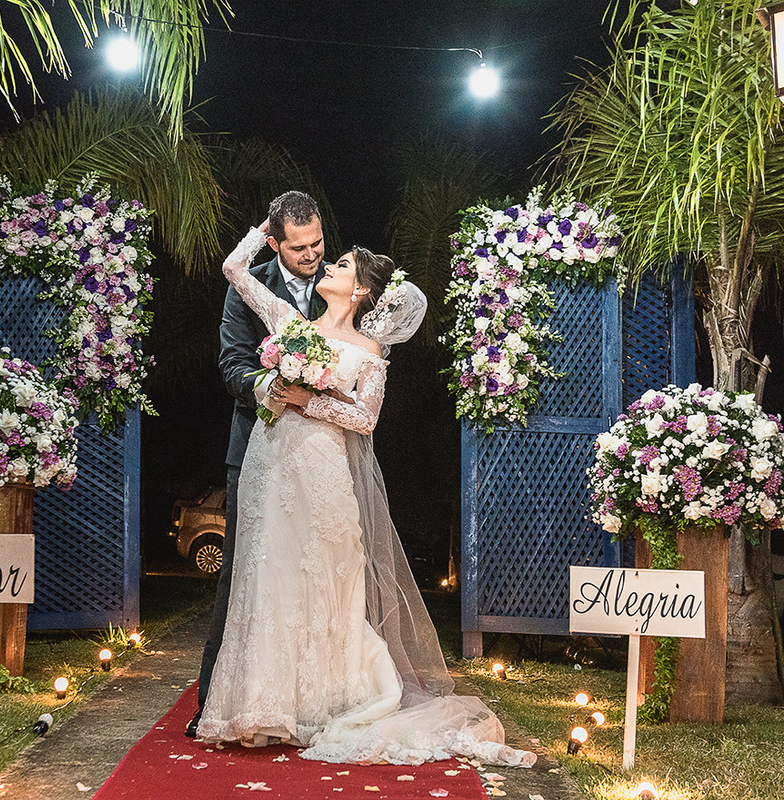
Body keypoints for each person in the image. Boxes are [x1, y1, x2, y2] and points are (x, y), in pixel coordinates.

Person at [195, 221, 536, 769]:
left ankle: (320, 702)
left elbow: (365, 418)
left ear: (359, 291)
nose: (326, 264)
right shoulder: (290, 324)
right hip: (270, 461)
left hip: (323, 467)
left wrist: (309, 400)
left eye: (341, 265)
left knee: (326, 575)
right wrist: (265, 230)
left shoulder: (369, 350)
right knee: (267, 573)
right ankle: (262, 706)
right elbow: (234, 269)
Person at [188, 191, 328, 737]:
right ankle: (214, 703)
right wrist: (276, 386)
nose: (311, 254)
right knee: (242, 574)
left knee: (319, 572)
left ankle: (314, 703)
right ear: (273, 243)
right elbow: (232, 365)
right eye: (298, 247)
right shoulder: (247, 286)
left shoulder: (342, 283)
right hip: (256, 447)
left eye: (317, 242)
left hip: (322, 453)